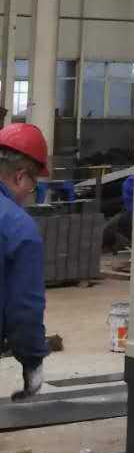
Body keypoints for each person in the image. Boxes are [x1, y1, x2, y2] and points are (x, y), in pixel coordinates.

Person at [0, 123, 49, 401]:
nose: (31, 191)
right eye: (33, 184)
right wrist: (32, 360)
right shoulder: (18, 226)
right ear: (20, 177)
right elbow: (24, 307)